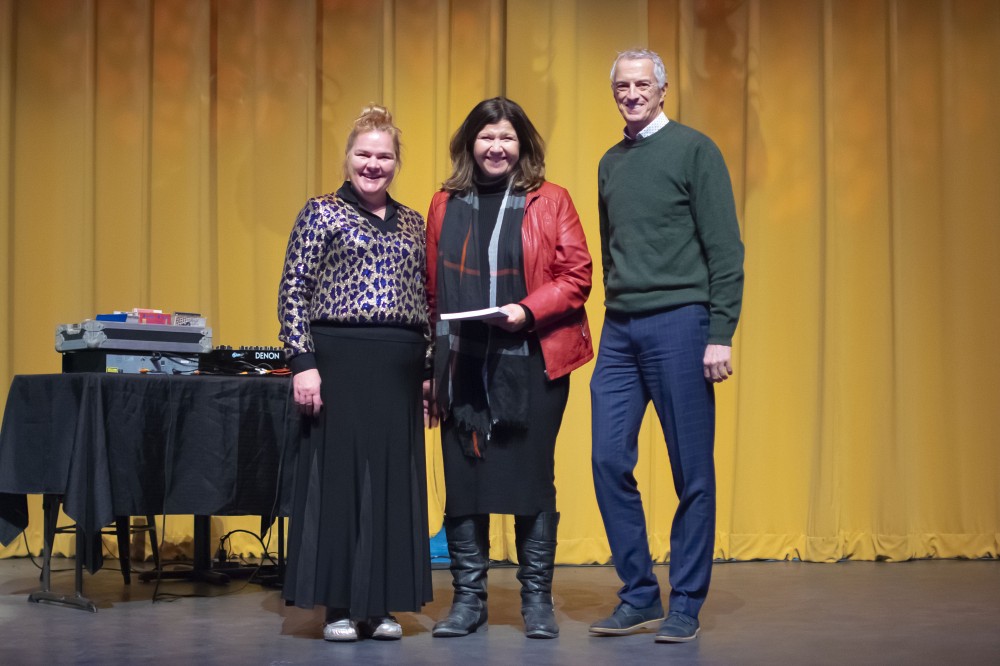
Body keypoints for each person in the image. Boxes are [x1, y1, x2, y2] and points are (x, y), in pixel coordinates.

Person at [588, 49, 745, 643]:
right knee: (607, 459)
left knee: (691, 473)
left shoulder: (694, 150)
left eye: (642, 83)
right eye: (622, 85)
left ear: (663, 88)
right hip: (621, 328)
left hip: (682, 324)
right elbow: (612, 250)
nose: (632, 93)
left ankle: (686, 604)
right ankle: (638, 595)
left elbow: (726, 251)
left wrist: (719, 332)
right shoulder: (609, 163)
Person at [424, 97, 593, 639]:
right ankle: (468, 601)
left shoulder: (552, 200)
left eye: (507, 138)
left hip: (533, 364)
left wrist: (528, 309)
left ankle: (536, 602)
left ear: (523, 146)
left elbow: (577, 275)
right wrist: (431, 367)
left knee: (530, 481)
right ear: (469, 144)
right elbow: (431, 292)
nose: (496, 147)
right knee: (464, 483)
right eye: (486, 137)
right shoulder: (443, 204)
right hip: (461, 365)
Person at [277, 105, 432, 642]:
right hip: (340, 361)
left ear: (396, 162)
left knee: (392, 481)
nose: (373, 164)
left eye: (383, 155)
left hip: (401, 367)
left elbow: (427, 302)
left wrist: (430, 371)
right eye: (364, 154)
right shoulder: (320, 212)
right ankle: (341, 605)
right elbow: (293, 289)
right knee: (340, 482)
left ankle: (383, 605)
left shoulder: (414, 221)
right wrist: (304, 362)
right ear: (347, 159)